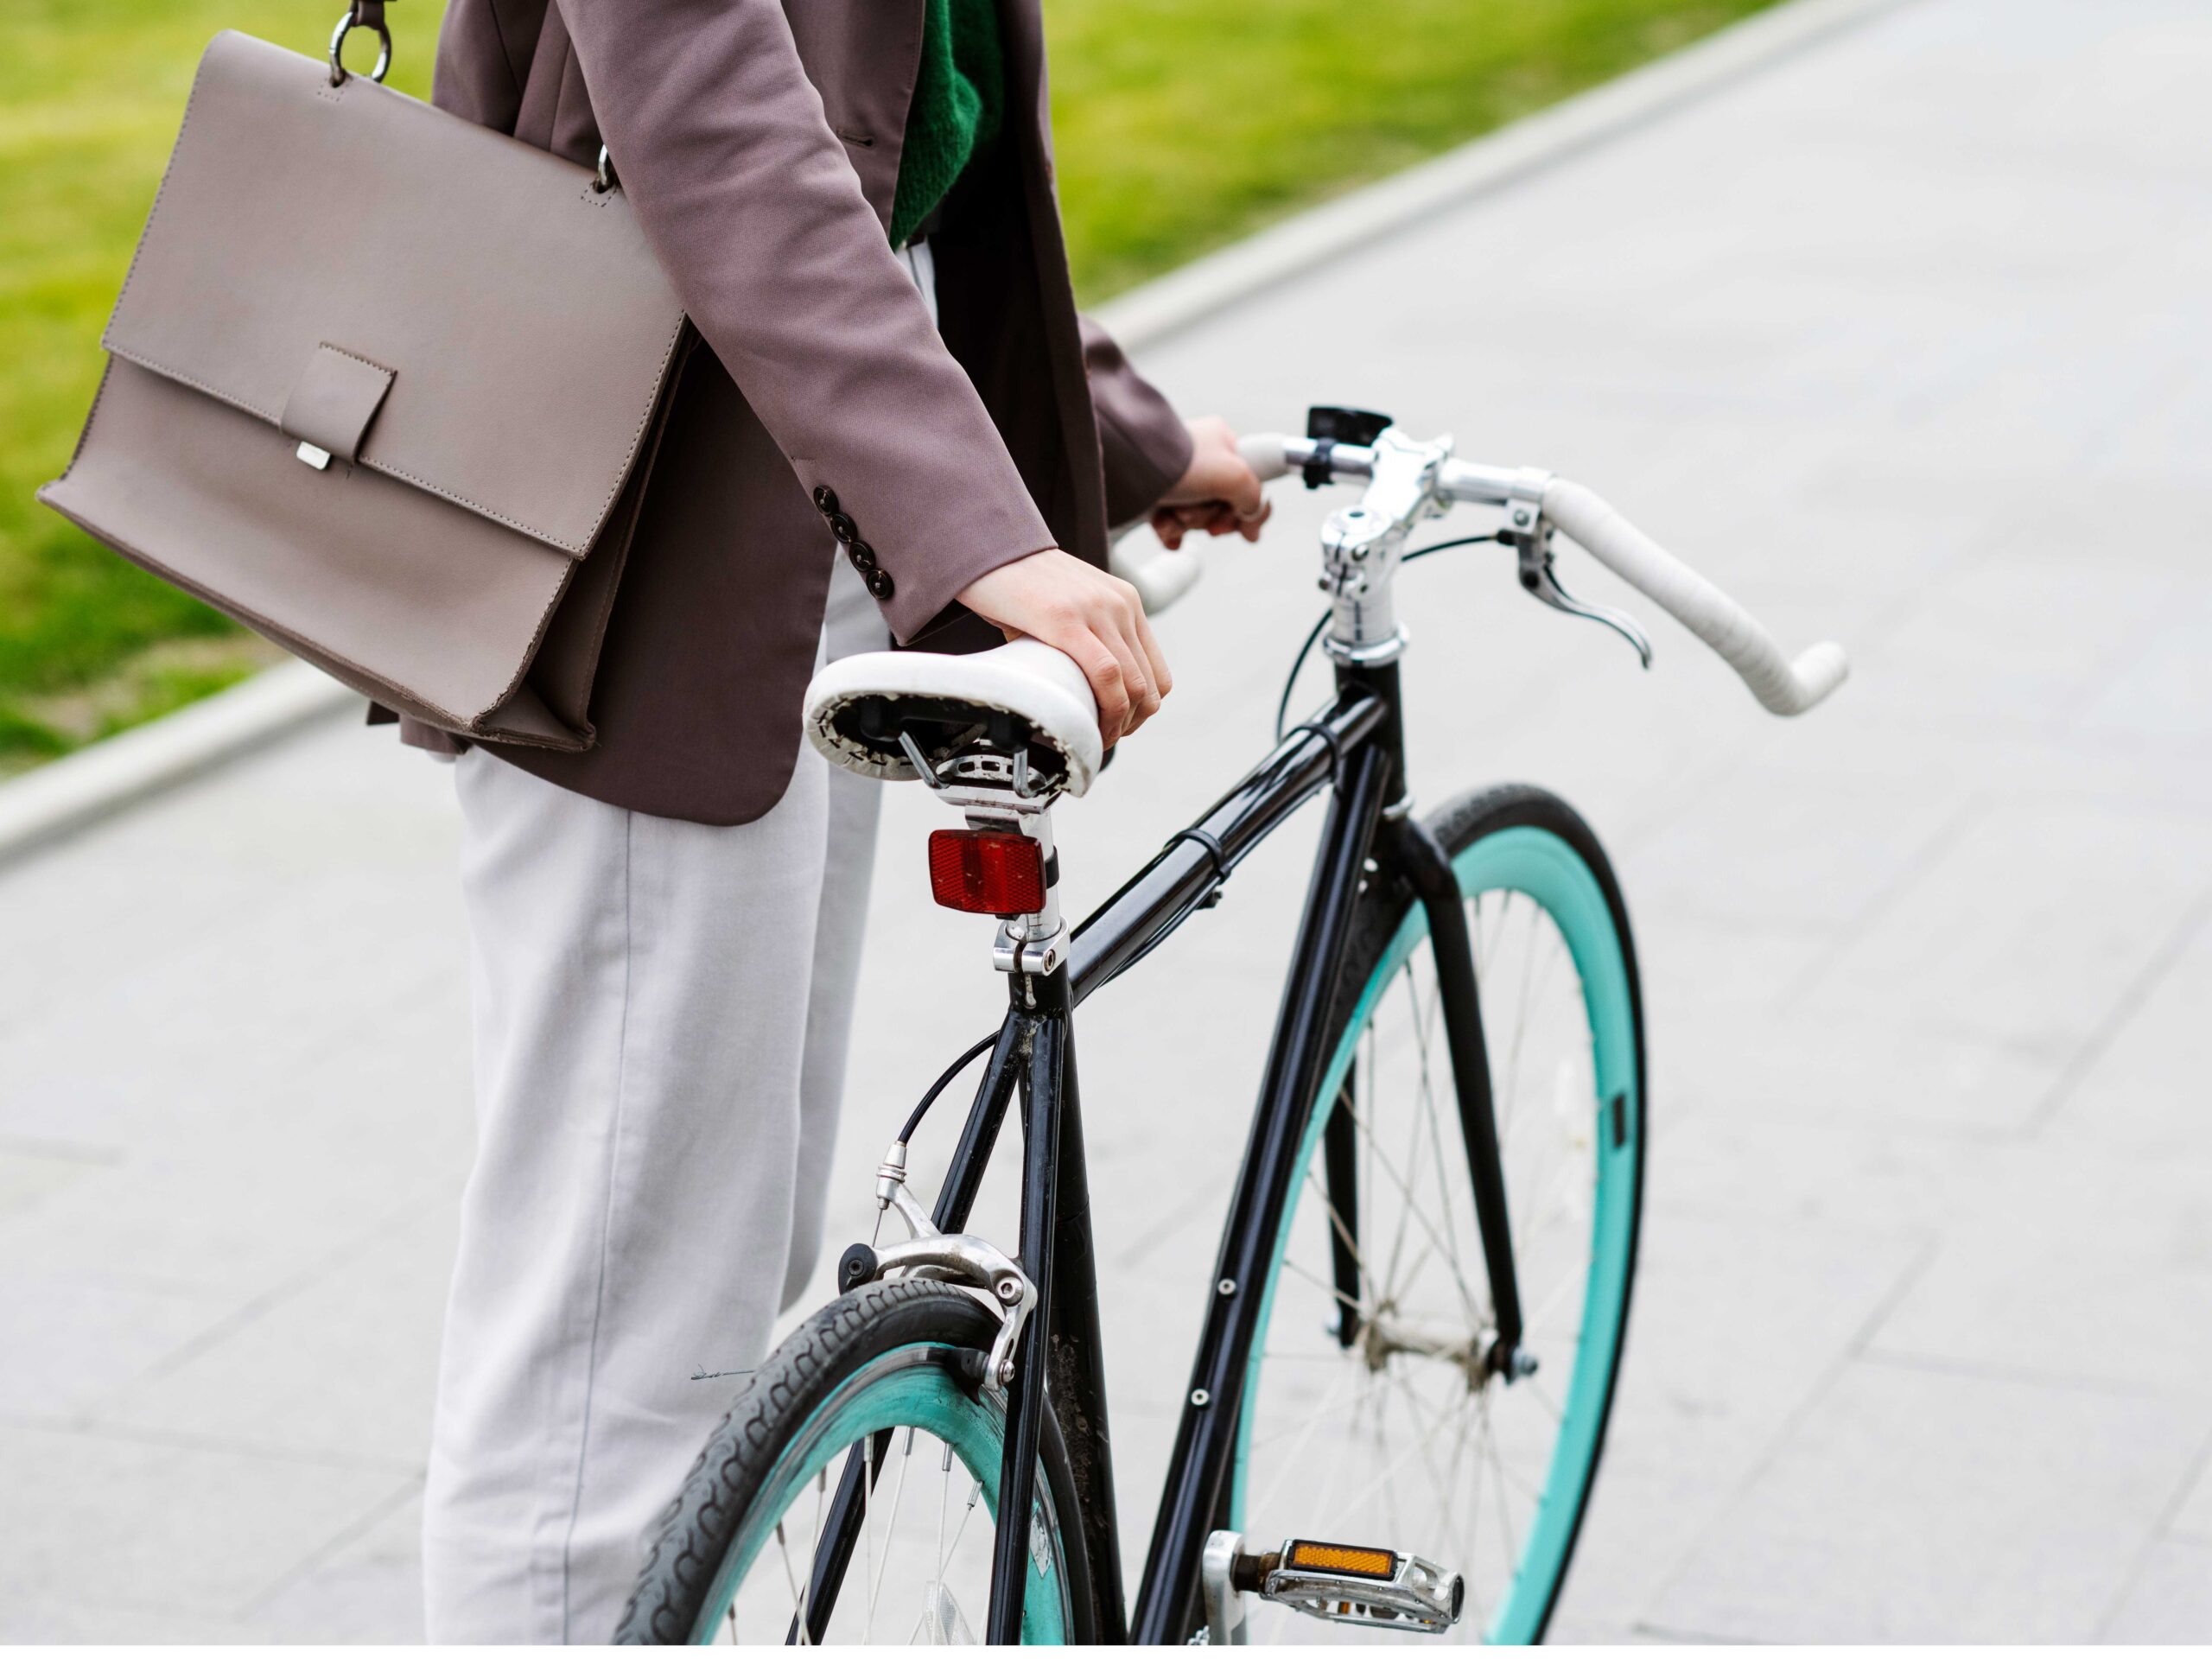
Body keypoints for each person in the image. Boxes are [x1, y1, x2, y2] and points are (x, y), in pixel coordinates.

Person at [397, 0, 1271, 1640]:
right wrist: (968, 529)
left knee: (724, 1266)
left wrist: (1122, 441)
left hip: (809, 497)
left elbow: (894, 122)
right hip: (656, 521)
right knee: (611, 1350)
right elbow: (710, 104)